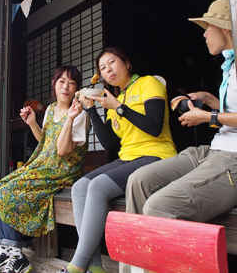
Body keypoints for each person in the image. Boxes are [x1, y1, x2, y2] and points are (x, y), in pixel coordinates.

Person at [125, 0, 237, 223]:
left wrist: (207, 117)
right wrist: (209, 99)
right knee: (138, 181)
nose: (204, 34)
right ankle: (137, 260)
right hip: (212, 151)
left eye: (207, 27)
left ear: (223, 29)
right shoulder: (229, 67)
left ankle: (153, 258)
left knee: (158, 206)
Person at [62, 47, 177, 273]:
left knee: (97, 186)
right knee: (79, 187)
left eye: (112, 62)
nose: (108, 70)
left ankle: (76, 266)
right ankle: (95, 266)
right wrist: (93, 111)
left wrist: (119, 108)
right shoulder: (114, 101)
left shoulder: (149, 83)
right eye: (102, 68)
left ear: (126, 63)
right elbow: (110, 145)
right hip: (127, 158)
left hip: (157, 154)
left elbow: (154, 127)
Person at [0, 66, 89, 273]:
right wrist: (31, 124)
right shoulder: (50, 109)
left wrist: (71, 118)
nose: (66, 86)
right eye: (61, 81)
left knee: (11, 193)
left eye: (72, 83)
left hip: (62, 171)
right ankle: (4, 252)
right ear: (54, 84)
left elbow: (63, 150)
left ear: (77, 88)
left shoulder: (80, 115)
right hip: (43, 164)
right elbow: (45, 143)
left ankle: (18, 256)